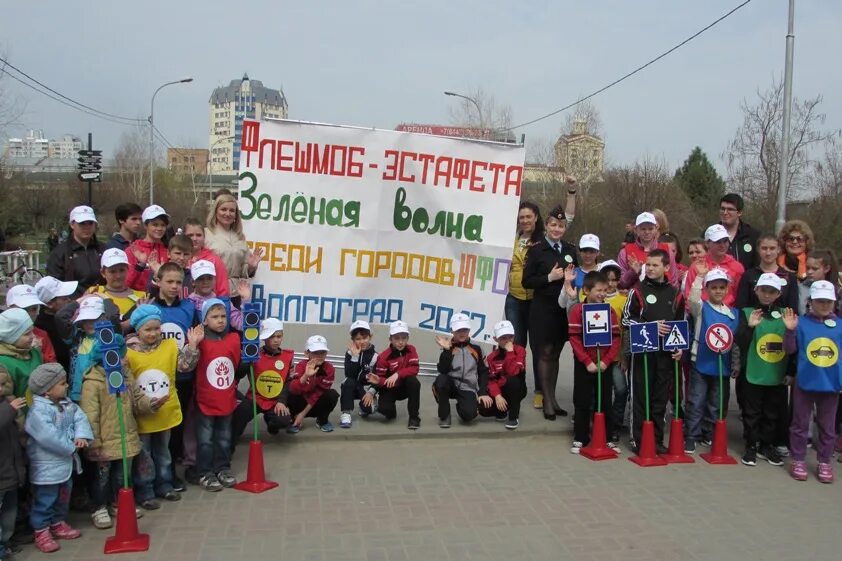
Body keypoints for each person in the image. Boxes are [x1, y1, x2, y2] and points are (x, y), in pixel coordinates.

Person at [126, 305, 201, 509]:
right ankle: (145, 490)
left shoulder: (169, 346)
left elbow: (185, 366)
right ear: (138, 331)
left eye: (156, 329)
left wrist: (192, 346)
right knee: (144, 455)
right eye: (148, 330)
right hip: (143, 415)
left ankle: (165, 483)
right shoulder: (129, 353)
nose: (153, 333)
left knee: (164, 452)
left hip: (166, 412)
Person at [79, 332, 156, 528]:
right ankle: (99, 507)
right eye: (121, 356)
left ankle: (118, 503)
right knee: (101, 479)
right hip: (104, 442)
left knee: (122, 475)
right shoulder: (93, 382)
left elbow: (137, 398)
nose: (125, 359)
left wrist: (151, 404)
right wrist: (93, 441)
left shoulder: (126, 375)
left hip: (126, 436)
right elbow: (90, 414)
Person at [25, 363, 93, 553]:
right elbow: (47, 436)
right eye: (62, 383)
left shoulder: (67, 404)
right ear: (47, 390)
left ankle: (57, 522)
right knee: (45, 499)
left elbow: (80, 418)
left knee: (63, 496)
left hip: (65, 463)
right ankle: (41, 530)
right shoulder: (38, 412)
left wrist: (81, 435)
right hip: (47, 466)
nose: (67, 386)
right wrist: (70, 446)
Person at [621, 249, 685, 453]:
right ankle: (638, 440)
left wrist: (678, 348)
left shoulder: (675, 294)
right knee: (641, 397)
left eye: (655, 265)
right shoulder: (637, 291)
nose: (650, 268)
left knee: (659, 399)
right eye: (648, 265)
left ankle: (656, 440)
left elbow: (679, 324)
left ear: (666, 268)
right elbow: (625, 320)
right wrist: (650, 327)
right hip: (642, 354)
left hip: (665, 356)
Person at [521, 204, 577, 419]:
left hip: (562, 310)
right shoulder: (536, 249)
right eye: (553, 225)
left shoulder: (571, 250)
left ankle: (552, 399)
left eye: (561, 226)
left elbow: (577, 276)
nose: (556, 229)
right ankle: (546, 402)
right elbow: (526, 281)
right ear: (546, 226)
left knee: (555, 354)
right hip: (542, 309)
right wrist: (548, 278)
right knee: (544, 354)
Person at [783, 281, 842, 483]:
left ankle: (824, 461)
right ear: (810, 301)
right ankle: (798, 458)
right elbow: (790, 350)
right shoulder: (801, 323)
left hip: (831, 384)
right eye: (820, 301)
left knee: (827, 426)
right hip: (805, 382)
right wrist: (790, 331)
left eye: (828, 301)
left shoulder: (840, 325)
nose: (824, 305)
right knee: (800, 423)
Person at [684, 268, 740, 454]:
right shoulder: (701, 308)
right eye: (714, 287)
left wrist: (735, 364)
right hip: (699, 361)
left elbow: (734, 342)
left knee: (716, 403)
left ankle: (709, 434)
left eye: (721, 287)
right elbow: (692, 299)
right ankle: (691, 435)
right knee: (696, 400)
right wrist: (699, 277)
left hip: (721, 365)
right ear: (707, 289)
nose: (718, 291)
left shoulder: (733, 314)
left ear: (727, 289)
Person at [735, 273, 788, 467]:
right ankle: (751, 445)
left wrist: (790, 371)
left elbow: (792, 347)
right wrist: (749, 328)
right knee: (752, 412)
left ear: (778, 293)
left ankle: (766, 445)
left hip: (776, 372)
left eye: (771, 291)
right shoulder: (747, 312)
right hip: (753, 371)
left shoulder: (786, 315)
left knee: (771, 412)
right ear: (756, 290)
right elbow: (739, 342)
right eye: (763, 290)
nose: (767, 295)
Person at [568, 270, 622, 453]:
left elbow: (616, 338)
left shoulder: (610, 311)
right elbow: (574, 339)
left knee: (605, 400)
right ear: (586, 290)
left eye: (605, 290)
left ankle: (607, 437)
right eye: (598, 290)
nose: (602, 294)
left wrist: (606, 361)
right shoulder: (577, 311)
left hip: (604, 364)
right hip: (584, 364)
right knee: (582, 400)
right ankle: (581, 437)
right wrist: (586, 361)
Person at [193, 299, 237, 491]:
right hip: (206, 399)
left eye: (223, 316)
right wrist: (193, 344)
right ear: (204, 320)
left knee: (224, 437)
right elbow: (189, 364)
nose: (220, 320)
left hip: (226, 398)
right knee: (205, 439)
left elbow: (234, 364)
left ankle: (223, 468)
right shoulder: (200, 342)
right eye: (214, 317)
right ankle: (205, 472)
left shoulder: (233, 339)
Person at [505, 202, 546, 410]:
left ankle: (540, 390)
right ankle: (517, 386)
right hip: (513, 297)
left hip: (536, 299)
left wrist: (571, 193)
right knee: (517, 346)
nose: (525, 221)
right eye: (521, 217)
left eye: (528, 216)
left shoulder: (543, 240)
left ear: (536, 217)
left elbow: (567, 219)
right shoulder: (510, 240)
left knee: (537, 347)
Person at [231, 318, 293, 441]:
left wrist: (282, 401)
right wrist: (244, 361)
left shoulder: (287, 356)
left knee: (284, 420)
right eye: (272, 337)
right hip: (255, 398)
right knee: (239, 416)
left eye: (279, 336)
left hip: (274, 400)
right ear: (264, 338)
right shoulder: (254, 355)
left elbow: (287, 381)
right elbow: (239, 374)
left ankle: (272, 424)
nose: (276, 340)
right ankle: (230, 442)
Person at [433, 313, 489, 427]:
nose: (462, 333)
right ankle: (444, 415)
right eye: (458, 330)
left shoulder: (477, 348)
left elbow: (483, 371)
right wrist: (447, 351)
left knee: (469, 415)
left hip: (467, 387)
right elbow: (443, 370)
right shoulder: (448, 347)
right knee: (441, 381)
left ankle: (463, 405)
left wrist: (482, 392)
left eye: (465, 329)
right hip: (451, 385)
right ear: (452, 331)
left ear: (469, 330)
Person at [204, 194, 264, 299]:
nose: (227, 214)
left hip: (235, 293)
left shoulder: (240, 237)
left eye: (232, 211)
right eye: (223, 209)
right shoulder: (206, 234)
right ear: (216, 211)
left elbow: (243, 271)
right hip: (213, 292)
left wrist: (251, 267)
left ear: (236, 215)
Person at [599, 260, 630, 442]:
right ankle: (600, 421)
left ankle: (616, 423)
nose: (610, 284)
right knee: (601, 391)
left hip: (617, 356)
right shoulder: (596, 298)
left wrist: (625, 357)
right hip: (599, 355)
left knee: (620, 389)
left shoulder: (624, 300)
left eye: (614, 280)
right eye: (607, 280)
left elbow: (625, 331)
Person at [283, 335, 339, 433]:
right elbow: (293, 389)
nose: (320, 355)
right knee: (291, 393)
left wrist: (302, 414)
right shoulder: (301, 365)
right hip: (300, 402)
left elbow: (318, 393)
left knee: (332, 394)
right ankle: (294, 419)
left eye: (323, 352)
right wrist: (305, 375)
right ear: (306, 353)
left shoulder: (329, 368)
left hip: (314, 404)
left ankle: (322, 420)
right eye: (315, 352)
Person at [372, 320, 421, 429]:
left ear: (407, 338)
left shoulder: (411, 349)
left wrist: (398, 374)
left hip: (405, 387)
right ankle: (390, 410)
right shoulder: (383, 356)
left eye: (404, 338)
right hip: (389, 388)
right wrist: (378, 381)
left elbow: (415, 368)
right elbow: (382, 380)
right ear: (390, 339)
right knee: (386, 412)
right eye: (397, 338)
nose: (400, 342)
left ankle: (414, 417)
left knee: (414, 382)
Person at [683, 224, 745, 307]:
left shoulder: (737, 267)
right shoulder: (697, 266)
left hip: (729, 314)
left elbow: (740, 296)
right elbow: (689, 295)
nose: (722, 245)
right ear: (707, 243)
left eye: (725, 241)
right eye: (717, 242)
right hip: (703, 314)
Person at [0, 367, 26, 561]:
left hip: (11, 470)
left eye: (3, 384)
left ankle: (5, 543)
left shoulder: (6, 403)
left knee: (9, 513)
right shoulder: (7, 407)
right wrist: (10, 409)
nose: (1, 389)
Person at [45, 205, 104, 292]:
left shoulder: (103, 249)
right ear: (72, 224)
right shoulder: (59, 253)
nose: (87, 227)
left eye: (90, 223)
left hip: (102, 300)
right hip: (73, 303)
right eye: (82, 223)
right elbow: (53, 286)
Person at [480, 320, 526, 430]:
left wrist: (510, 352)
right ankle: (503, 410)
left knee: (512, 380)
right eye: (503, 338)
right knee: (482, 408)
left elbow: (513, 371)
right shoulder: (491, 357)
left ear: (514, 337)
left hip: (517, 388)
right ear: (496, 339)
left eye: (510, 337)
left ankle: (513, 416)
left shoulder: (520, 350)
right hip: (501, 389)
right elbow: (491, 380)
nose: (507, 340)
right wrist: (497, 396)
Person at [735, 234, 799, 311]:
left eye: (772, 248)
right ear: (758, 249)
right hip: (752, 321)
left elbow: (793, 309)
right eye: (764, 248)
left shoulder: (790, 277)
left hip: (781, 321)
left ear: (778, 249)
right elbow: (741, 307)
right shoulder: (748, 275)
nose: (768, 253)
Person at [88, 249, 145, 331]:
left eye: (122, 270)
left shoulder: (142, 296)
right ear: (103, 273)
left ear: (128, 270)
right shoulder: (95, 292)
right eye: (112, 271)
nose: (118, 276)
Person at [617, 212, 676, 289]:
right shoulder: (625, 252)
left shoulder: (667, 250)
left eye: (650, 229)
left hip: (662, 296)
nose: (647, 232)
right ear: (636, 230)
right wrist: (633, 272)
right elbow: (620, 284)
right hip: (636, 298)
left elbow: (674, 280)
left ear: (656, 228)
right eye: (643, 229)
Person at [186, 260, 249, 331]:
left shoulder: (224, 303)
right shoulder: (188, 304)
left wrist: (245, 301)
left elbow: (243, 325)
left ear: (215, 280)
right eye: (200, 279)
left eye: (209, 278)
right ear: (193, 282)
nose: (205, 282)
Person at [339, 320, 379, 429]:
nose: (362, 341)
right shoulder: (349, 353)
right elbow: (349, 374)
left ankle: (363, 407)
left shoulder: (376, 356)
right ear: (353, 340)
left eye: (365, 338)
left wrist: (371, 392)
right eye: (358, 339)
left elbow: (377, 379)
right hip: (352, 386)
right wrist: (355, 357)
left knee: (370, 409)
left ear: (370, 337)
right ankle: (346, 413)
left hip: (366, 389)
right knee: (348, 382)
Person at [4, 285, 56, 363]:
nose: (30, 314)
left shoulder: (41, 335)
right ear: (10, 308)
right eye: (24, 309)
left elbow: (53, 366)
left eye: (34, 309)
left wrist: (38, 353)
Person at [126, 205, 171, 292]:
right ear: (145, 226)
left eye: (163, 225)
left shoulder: (168, 250)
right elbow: (126, 283)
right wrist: (140, 265)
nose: (159, 228)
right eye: (155, 225)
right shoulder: (133, 249)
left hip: (162, 299)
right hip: (138, 299)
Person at [0, 308, 42, 399]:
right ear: (10, 337)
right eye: (27, 334)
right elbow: (6, 398)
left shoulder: (34, 351)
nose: (32, 336)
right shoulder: (3, 362)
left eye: (32, 331)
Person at [184, 218, 229, 297]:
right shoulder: (178, 259)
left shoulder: (214, 260)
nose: (194, 238)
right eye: (190, 235)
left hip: (209, 306)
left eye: (199, 235)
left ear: (204, 237)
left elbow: (223, 290)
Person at [718, 193, 760, 270]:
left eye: (730, 209)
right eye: (722, 209)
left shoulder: (753, 236)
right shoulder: (710, 235)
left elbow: (758, 265)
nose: (725, 212)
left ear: (739, 212)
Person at [798, 249, 839, 315]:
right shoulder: (800, 288)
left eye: (815, 269)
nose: (809, 272)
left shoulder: (835, 290)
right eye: (808, 268)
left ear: (826, 269)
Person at [573, 234, 601, 298]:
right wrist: (567, 284)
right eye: (585, 251)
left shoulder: (604, 271)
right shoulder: (573, 273)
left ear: (598, 253)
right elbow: (562, 304)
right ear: (580, 251)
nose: (588, 255)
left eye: (592, 252)